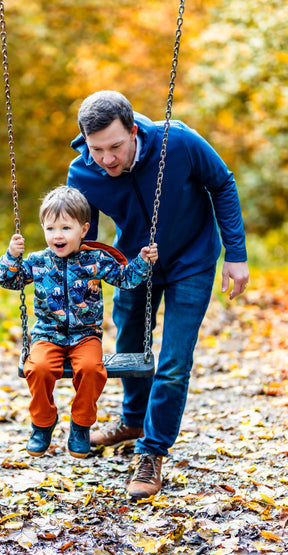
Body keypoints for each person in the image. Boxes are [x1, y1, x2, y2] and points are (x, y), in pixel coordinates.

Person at [66, 90, 249, 500]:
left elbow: (222, 184)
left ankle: (151, 452)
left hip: (192, 261)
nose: (107, 159)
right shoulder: (82, 174)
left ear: (133, 130)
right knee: (130, 349)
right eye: (97, 150)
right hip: (135, 266)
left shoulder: (178, 142)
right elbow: (85, 238)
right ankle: (133, 420)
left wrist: (235, 254)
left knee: (172, 363)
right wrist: (81, 283)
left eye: (115, 146)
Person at [0, 186, 158, 459]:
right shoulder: (37, 261)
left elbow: (127, 279)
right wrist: (12, 257)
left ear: (83, 229)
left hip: (86, 335)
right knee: (36, 368)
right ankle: (43, 423)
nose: (57, 235)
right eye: (50, 229)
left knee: (92, 369)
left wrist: (143, 261)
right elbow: (9, 280)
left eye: (65, 228)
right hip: (47, 334)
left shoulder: (96, 260)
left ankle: (81, 425)